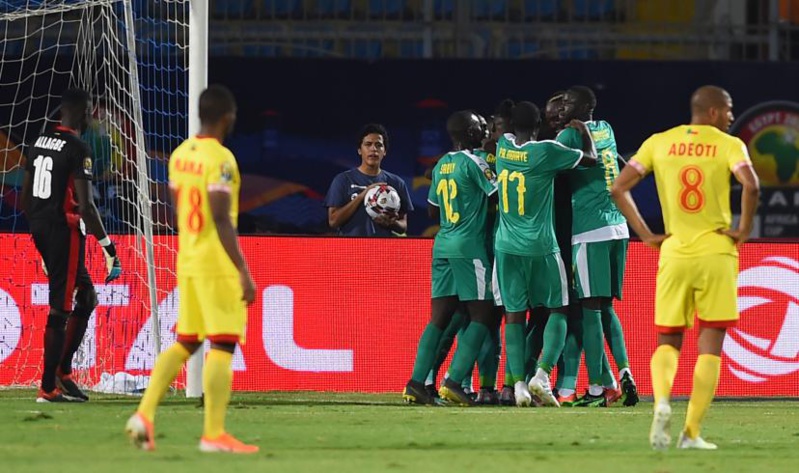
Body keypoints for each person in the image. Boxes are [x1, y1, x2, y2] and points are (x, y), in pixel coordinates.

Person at [611, 85, 759, 450]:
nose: (729, 116)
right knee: (710, 343)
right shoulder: (729, 145)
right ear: (712, 111)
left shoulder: (659, 142)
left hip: (674, 249)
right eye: (728, 110)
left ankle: (662, 401)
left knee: (668, 339)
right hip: (716, 250)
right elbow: (751, 185)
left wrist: (646, 234)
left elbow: (618, 187)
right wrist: (741, 230)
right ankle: (690, 432)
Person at [125, 85, 258, 454]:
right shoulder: (222, 159)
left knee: (187, 340)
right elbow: (219, 216)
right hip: (215, 262)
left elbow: (176, 205)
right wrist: (243, 270)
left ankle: (144, 414)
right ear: (228, 118)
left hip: (188, 258)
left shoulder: (180, 155)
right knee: (224, 342)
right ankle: (213, 433)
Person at [20, 89, 122, 403]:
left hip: (39, 225)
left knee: (87, 296)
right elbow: (88, 207)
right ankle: (47, 387)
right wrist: (109, 248)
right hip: (63, 229)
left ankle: (63, 372)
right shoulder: (79, 148)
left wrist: (40, 240)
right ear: (82, 112)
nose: (93, 116)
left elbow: (26, 195)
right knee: (60, 308)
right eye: (91, 110)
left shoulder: (38, 142)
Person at [494, 101, 597, 407]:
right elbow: (591, 160)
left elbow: (504, 138)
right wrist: (584, 132)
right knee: (559, 309)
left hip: (505, 246)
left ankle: (519, 385)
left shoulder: (503, 146)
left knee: (513, 315)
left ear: (512, 126)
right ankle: (543, 373)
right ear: (539, 126)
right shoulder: (546, 151)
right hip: (541, 245)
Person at [403, 110, 497, 406]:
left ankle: (416, 383)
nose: (485, 130)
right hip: (470, 246)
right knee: (484, 313)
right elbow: (498, 197)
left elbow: (432, 210)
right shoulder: (477, 163)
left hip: (443, 243)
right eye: (481, 126)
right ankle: (454, 382)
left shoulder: (442, 163)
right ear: (469, 132)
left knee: (440, 318)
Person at [557, 85, 638, 407]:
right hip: (619, 227)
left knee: (590, 312)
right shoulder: (606, 128)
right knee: (607, 307)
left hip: (590, 231)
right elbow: (617, 163)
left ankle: (594, 388)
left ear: (584, 106)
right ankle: (624, 371)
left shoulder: (568, 138)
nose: (563, 107)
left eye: (568, 102)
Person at [324, 124, 413, 236]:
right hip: (350, 250)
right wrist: (363, 195)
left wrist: (392, 223)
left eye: (378, 145)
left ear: (384, 151)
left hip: (382, 250)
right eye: (368, 144)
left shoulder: (397, 183)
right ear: (359, 150)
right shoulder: (343, 180)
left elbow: (403, 226)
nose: (373, 149)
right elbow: (333, 221)